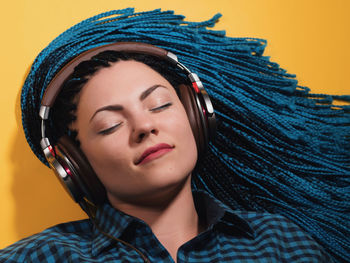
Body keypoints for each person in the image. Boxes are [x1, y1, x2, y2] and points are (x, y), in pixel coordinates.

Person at [1, 8, 349, 262]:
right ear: (74, 164)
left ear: (197, 116)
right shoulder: (37, 257)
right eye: (110, 125)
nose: (144, 127)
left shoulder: (281, 243)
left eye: (159, 105)